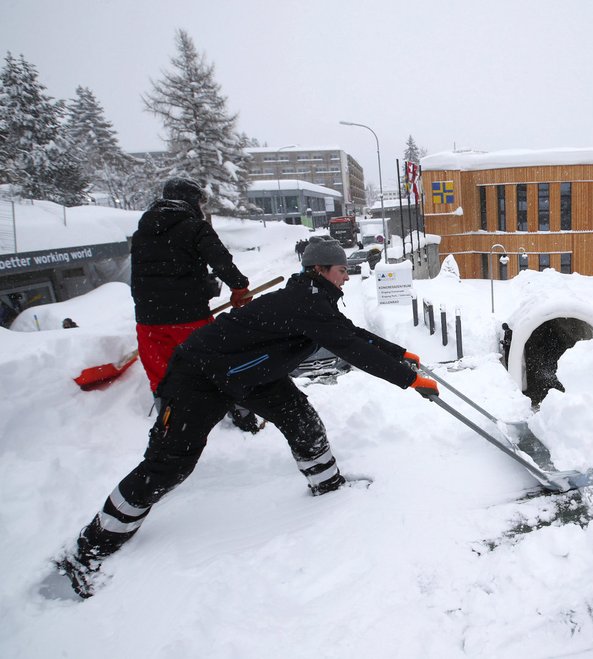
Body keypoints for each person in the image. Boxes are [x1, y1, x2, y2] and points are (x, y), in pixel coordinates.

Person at [53, 237, 439, 598]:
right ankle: (89, 550)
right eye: (341, 269)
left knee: (300, 419)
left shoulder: (313, 299)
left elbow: (349, 333)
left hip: (250, 373)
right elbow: (349, 346)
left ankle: (328, 486)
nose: (347, 275)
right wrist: (408, 380)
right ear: (320, 270)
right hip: (202, 375)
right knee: (169, 464)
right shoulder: (304, 301)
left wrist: (401, 353)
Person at [130, 177, 260, 431]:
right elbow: (220, 260)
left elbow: (137, 277)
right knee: (219, 365)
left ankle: (170, 426)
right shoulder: (194, 227)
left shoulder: (141, 232)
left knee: (161, 376)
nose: (202, 207)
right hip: (189, 318)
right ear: (191, 200)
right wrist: (240, 288)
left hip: (148, 321)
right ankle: (244, 418)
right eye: (200, 201)